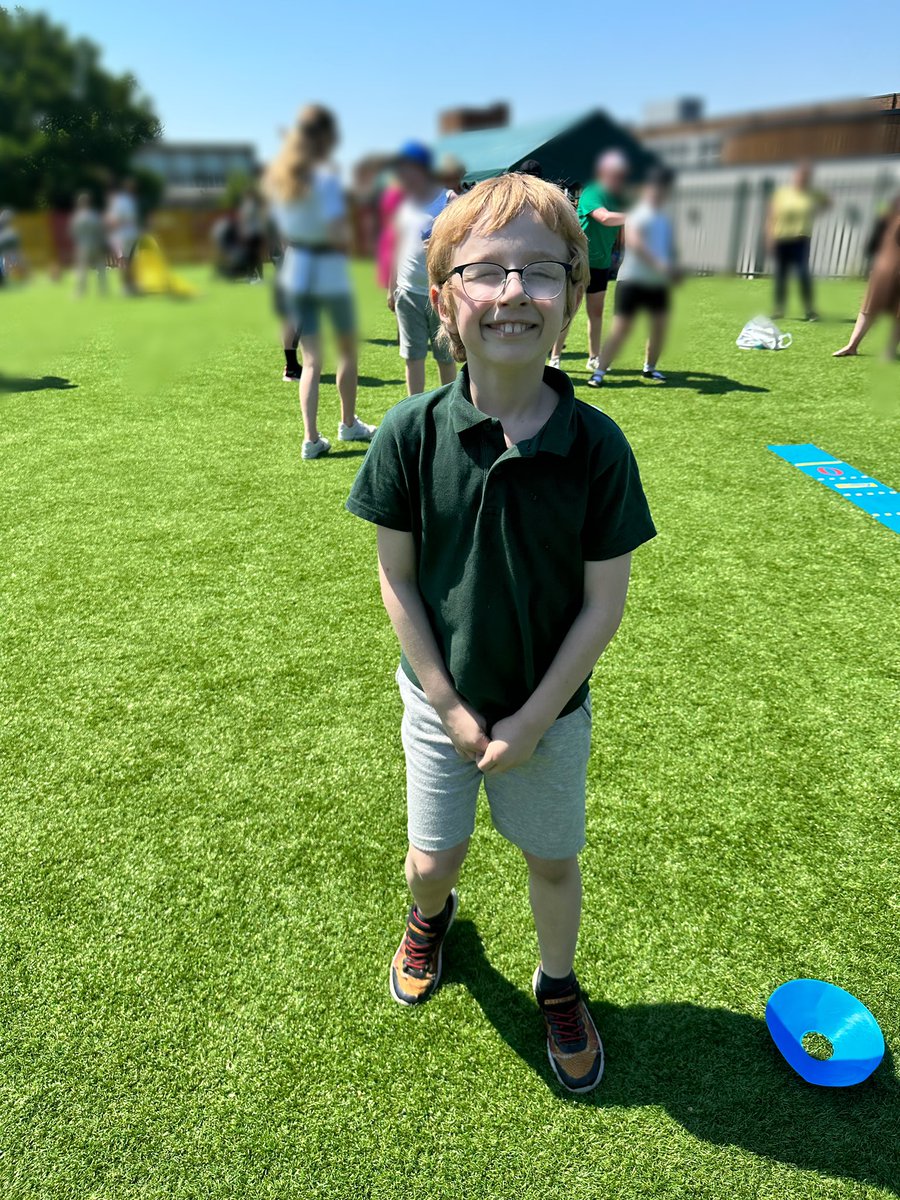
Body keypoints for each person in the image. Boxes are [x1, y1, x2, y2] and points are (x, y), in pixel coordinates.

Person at [345, 173, 656, 1093]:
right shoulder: (407, 433)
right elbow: (395, 578)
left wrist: (531, 720)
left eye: (541, 273)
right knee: (432, 858)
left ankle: (557, 985)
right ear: (444, 299)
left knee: (552, 861)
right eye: (486, 271)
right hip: (437, 701)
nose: (514, 293)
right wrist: (447, 705)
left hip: (549, 716)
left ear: (573, 295)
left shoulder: (599, 447)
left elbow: (605, 602)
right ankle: (429, 921)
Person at [264, 104, 377, 459]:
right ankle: (347, 423)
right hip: (326, 265)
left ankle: (311, 438)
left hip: (297, 265)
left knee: (311, 360)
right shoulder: (326, 179)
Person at [589, 166, 679, 388]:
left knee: (659, 325)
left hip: (657, 283)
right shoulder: (636, 214)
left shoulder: (665, 220)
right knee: (621, 328)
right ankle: (599, 373)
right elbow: (636, 243)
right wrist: (661, 264)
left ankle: (650, 368)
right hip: (632, 280)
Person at [387, 141, 457, 397]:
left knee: (446, 356)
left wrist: (442, 243)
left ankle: (451, 409)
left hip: (441, 291)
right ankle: (413, 411)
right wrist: (391, 288)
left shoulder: (449, 199)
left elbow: (466, 241)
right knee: (412, 356)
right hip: (408, 293)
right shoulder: (402, 203)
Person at [549, 150, 629, 371]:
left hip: (601, 265)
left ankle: (594, 357)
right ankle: (555, 358)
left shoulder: (618, 199)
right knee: (568, 312)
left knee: (596, 313)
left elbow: (621, 231)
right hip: (579, 262)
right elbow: (603, 217)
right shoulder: (592, 192)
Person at [833, 195, 900, 360]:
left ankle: (889, 350)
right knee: (869, 306)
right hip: (886, 263)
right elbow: (878, 236)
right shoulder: (892, 208)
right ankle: (852, 345)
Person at [767, 162, 829, 321]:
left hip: (801, 239)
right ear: (794, 176)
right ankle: (778, 309)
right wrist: (770, 238)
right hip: (782, 239)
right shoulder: (782, 193)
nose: (801, 178)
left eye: (805, 176)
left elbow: (827, 203)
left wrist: (816, 211)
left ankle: (809, 310)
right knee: (781, 275)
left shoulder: (813, 193)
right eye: (799, 175)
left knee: (803, 274)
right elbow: (771, 217)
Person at [105, 178, 140, 294]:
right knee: (130, 262)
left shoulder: (119, 201)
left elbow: (115, 221)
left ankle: (126, 288)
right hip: (131, 234)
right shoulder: (129, 200)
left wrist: (109, 223)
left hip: (122, 236)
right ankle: (132, 286)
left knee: (123, 262)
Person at [69, 192, 108, 296]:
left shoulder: (77, 217)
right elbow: (101, 231)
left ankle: (80, 293)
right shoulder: (94, 215)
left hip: (83, 245)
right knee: (100, 268)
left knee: (82, 269)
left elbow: (73, 233)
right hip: (95, 244)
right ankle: (103, 291)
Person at [238, 187, 267, 282]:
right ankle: (253, 275)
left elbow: (245, 218)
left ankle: (255, 276)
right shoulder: (253, 205)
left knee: (253, 256)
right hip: (253, 233)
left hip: (253, 234)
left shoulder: (250, 205)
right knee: (253, 256)